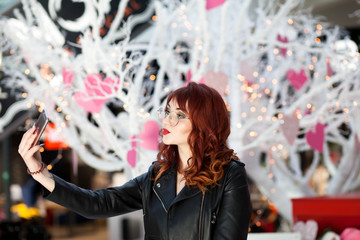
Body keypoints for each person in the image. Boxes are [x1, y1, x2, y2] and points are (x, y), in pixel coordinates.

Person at [18, 82, 252, 240]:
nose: (167, 121)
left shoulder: (229, 175)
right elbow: (99, 204)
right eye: (168, 111)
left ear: (205, 124)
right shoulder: (158, 175)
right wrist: (38, 170)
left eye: (179, 115)